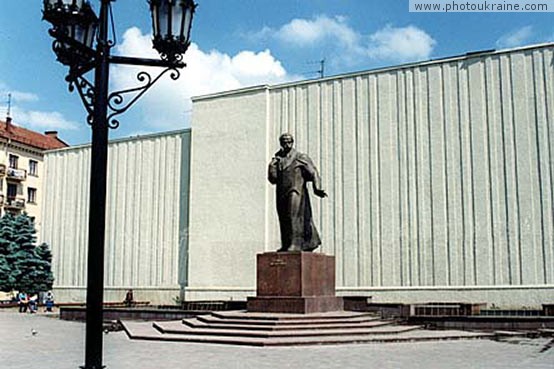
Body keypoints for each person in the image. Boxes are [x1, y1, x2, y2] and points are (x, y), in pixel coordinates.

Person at [268, 133, 327, 252]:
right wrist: (272, 166)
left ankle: (295, 244)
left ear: (292, 142)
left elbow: (313, 172)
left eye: (289, 141)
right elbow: (273, 179)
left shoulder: (300, 157)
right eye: (284, 142)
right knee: (283, 217)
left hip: (296, 191)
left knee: (293, 216)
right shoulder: (279, 160)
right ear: (281, 143)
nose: (287, 144)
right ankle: (286, 243)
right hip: (281, 192)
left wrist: (317, 188)